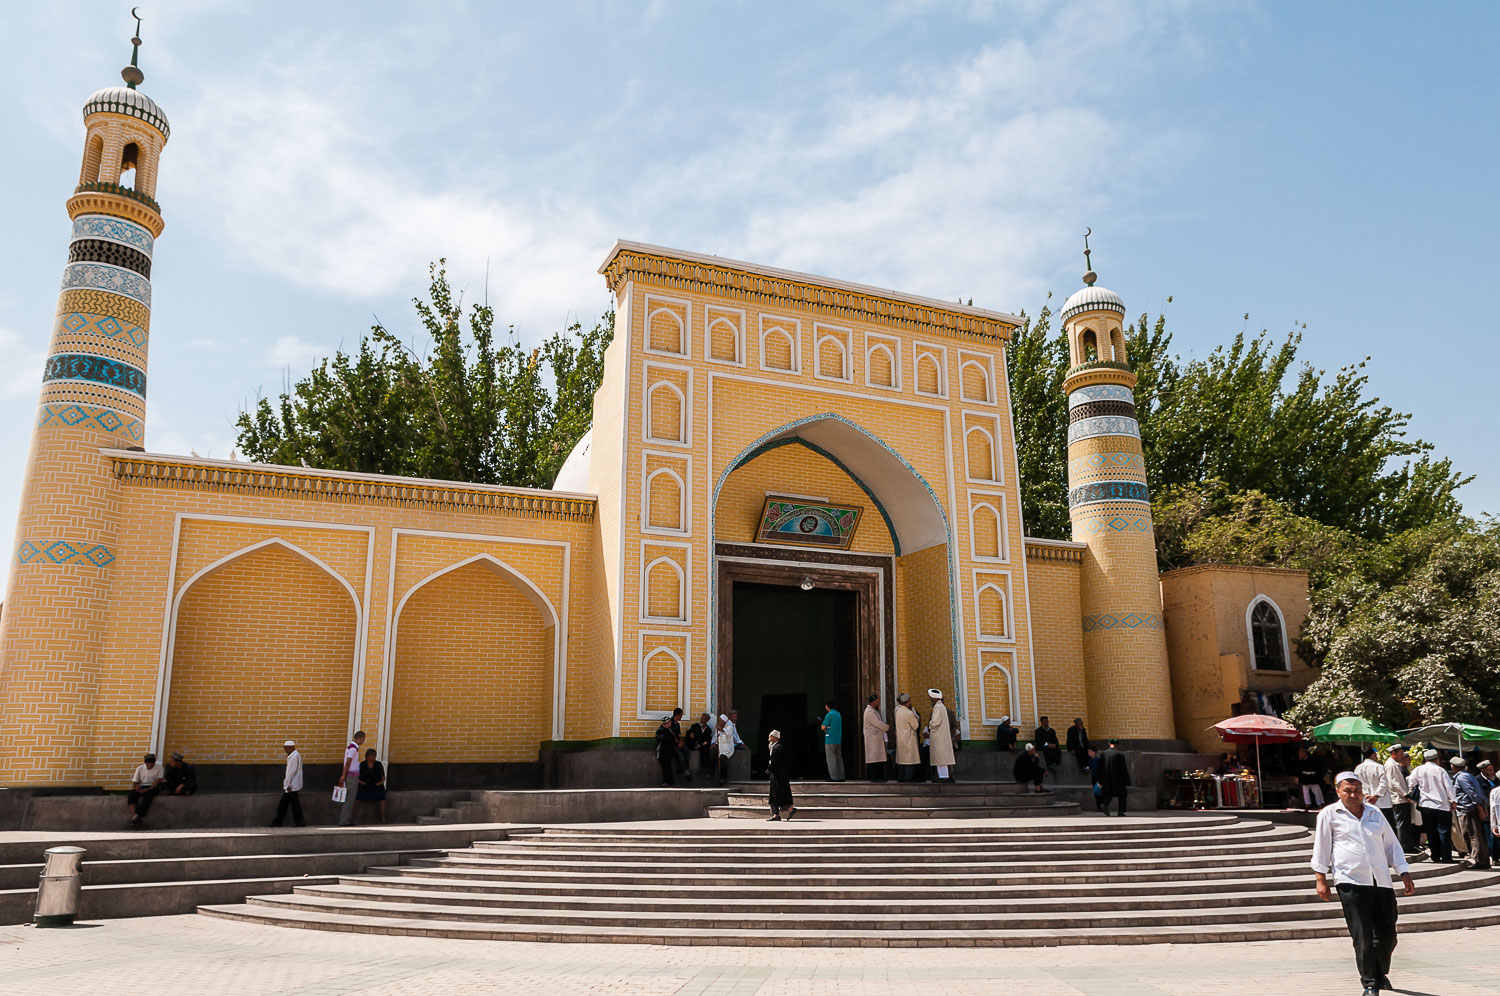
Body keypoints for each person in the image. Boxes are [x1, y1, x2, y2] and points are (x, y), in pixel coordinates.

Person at [1311, 771, 1415, 996]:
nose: (1353, 794)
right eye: (1347, 790)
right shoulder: (1329, 814)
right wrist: (1321, 878)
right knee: (1363, 935)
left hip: (1381, 881)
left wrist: (1403, 872)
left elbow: (1392, 845)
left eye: (1356, 790)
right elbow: (1321, 847)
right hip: (1350, 881)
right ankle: (1369, 983)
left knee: (1388, 934)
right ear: (1338, 791)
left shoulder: (1374, 813)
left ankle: (1379, 972)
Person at [1408, 748, 1456, 862]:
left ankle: (1435, 855)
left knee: (1431, 831)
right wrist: (1453, 800)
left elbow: (1411, 783)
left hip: (1426, 805)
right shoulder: (1440, 770)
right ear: (1437, 759)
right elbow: (1449, 787)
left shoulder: (1418, 769)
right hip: (1441, 805)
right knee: (1444, 831)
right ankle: (1446, 857)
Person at [1450, 757, 1491, 870]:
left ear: (1453, 766)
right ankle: (1482, 860)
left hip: (1467, 809)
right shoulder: (1468, 776)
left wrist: (1479, 806)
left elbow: (1472, 793)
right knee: (1476, 834)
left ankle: (1479, 860)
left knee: (1472, 835)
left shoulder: (1462, 778)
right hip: (1471, 808)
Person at [1382, 745, 1418, 854]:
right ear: (1394, 753)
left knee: (1405, 823)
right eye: (1401, 754)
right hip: (1398, 799)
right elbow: (1394, 783)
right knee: (1402, 824)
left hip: (1401, 798)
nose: (1402, 757)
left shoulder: (1394, 764)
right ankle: (1404, 846)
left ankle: (1407, 844)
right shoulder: (1391, 765)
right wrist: (1406, 794)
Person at [270, 740, 305, 827]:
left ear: (291, 747)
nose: (285, 750)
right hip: (292, 785)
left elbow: (291, 772)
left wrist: (287, 784)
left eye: (286, 748)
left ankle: (298, 821)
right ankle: (279, 820)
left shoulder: (293, 757)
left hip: (291, 785)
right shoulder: (295, 755)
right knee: (286, 803)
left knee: (293, 804)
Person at [336, 730, 366, 826]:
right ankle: (344, 820)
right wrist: (344, 775)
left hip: (350, 775)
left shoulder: (350, 747)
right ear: (360, 738)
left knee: (349, 798)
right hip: (351, 776)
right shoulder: (353, 749)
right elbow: (348, 762)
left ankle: (345, 819)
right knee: (350, 799)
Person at [127, 753, 165, 827]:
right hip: (141, 786)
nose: (150, 765)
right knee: (131, 794)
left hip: (152, 787)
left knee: (148, 798)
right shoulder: (140, 768)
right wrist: (137, 788)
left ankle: (137, 816)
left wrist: (148, 789)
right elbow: (135, 782)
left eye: (152, 763)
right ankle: (133, 815)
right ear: (145, 763)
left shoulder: (160, 768)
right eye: (148, 763)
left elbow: (157, 782)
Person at [1097, 737, 1131, 816]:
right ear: (1117, 745)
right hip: (1118, 780)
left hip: (1106, 780)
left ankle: (1104, 805)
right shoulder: (1120, 755)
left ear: (1109, 744)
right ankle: (1121, 812)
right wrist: (1127, 781)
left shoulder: (1103, 754)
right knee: (1122, 795)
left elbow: (1100, 768)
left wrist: (1100, 780)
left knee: (1108, 794)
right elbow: (1123, 769)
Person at [927, 689, 955, 782]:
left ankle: (943, 777)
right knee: (941, 759)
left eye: (930, 697)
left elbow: (935, 722)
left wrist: (930, 725)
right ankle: (944, 776)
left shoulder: (938, 707)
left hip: (939, 737)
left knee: (940, 759)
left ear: (933, 698)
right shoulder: (941, 706)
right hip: (941, 737)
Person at [766, 729, 795, 821]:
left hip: (777, 775)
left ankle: (779, 813)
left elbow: (775, 762)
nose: (769, 738)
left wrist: (769, 769)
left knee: (776, 793)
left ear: (775, 738)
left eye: (771, 736)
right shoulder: (774, 747)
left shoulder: (778, 748)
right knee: (776, 794)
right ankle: (777, 814)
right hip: (777, 774)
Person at [862, 694, 890, 782]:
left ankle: (880, 777)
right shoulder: (869, 711)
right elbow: (877, 723)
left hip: (876, 739)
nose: (879, 702)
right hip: (873, 740)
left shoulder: (874, 711)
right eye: (877, 700)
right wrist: (886, 727)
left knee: (878, 758)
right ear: (873, 702)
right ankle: (875, 778)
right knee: (874, 759)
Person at [894, 693, 921, 782]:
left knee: (902, 760)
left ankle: (901, 777)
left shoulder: (897, 711)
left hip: (900, 738)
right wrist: (916, 717)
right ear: (908, 702)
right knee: (910, 760)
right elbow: (915, 726)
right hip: (909, 739)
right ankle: (908, 778)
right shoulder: (909, 713)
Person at [356, 747, 387, 823]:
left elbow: (383, 776)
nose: (372, 757)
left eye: (373, 756)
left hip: (376, 785)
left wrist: (380, 783)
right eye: (370, 756)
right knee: (357, 797)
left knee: (382, 797)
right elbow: (357, 776)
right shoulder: (362, 764)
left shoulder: (378, 764)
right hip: (364, 785)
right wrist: (361, 782)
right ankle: (353, 817)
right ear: (367, 756)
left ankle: (383, 818)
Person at [716, 710, 743, 784]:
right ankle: (720, 778)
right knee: (720, 760)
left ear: (724, 722)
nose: (719, 723)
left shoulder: (729, 727)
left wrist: (720, 729)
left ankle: (724, 778)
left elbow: (728, 733)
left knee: (723, 759)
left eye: (720, 721)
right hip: (721, 748)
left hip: (728, 749)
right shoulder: (720, 729)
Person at [687, 713, 716, 780]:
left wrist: (702, 744)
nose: (702, 720)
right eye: (702, 718)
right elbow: (689, 733)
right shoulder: (695, 726)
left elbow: (707, 740)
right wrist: (690, 735)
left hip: (702, 745)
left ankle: (704, 768)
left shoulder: (708, 730)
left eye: (704, 719)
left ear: (707, 720)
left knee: (705, 751)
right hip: (694, 744)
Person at [821, 700, 845, 782]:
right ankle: (841, 776)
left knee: (831, 759)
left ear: (827, 706)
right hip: (838, 739)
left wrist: (826, 730)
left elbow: (823, 727)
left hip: (830, 739)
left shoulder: (829, 715)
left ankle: (834, 777)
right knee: (839, 758)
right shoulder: (838, 714)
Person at [1296, 745, 1326, 810]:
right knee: (1305, 792)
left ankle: (1320, 803)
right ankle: (1307, 804)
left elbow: (1317, 769)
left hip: (1313, 778)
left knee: (1316, 791)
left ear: (1305, 752)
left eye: (1301, 752)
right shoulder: (1301, 761)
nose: (1299, 753)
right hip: (1304, 778)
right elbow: (1299, 770)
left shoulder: (1313, 759)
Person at [654, 715, 677, 786]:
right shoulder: (660, 731)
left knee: (667, 767)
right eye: (669, 722)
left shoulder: (668, 730)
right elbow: (665, 740)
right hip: (662, 753)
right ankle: (669, 782)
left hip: (668, 752)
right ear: (666, 723)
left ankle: (667, 782)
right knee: (666, 767)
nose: (670, 723)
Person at [670, 707, 692, 782]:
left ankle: (684, 768)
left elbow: (679, 734)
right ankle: (684, 771)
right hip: (672, 744)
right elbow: (672, 735)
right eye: (681, 715)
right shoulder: (670, 723)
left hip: (678, 743)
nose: (681, 717)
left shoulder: (677, 724)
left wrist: (681, 742)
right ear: (678, 715)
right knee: (680, 755)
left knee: (687, 751)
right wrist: (678, 743)